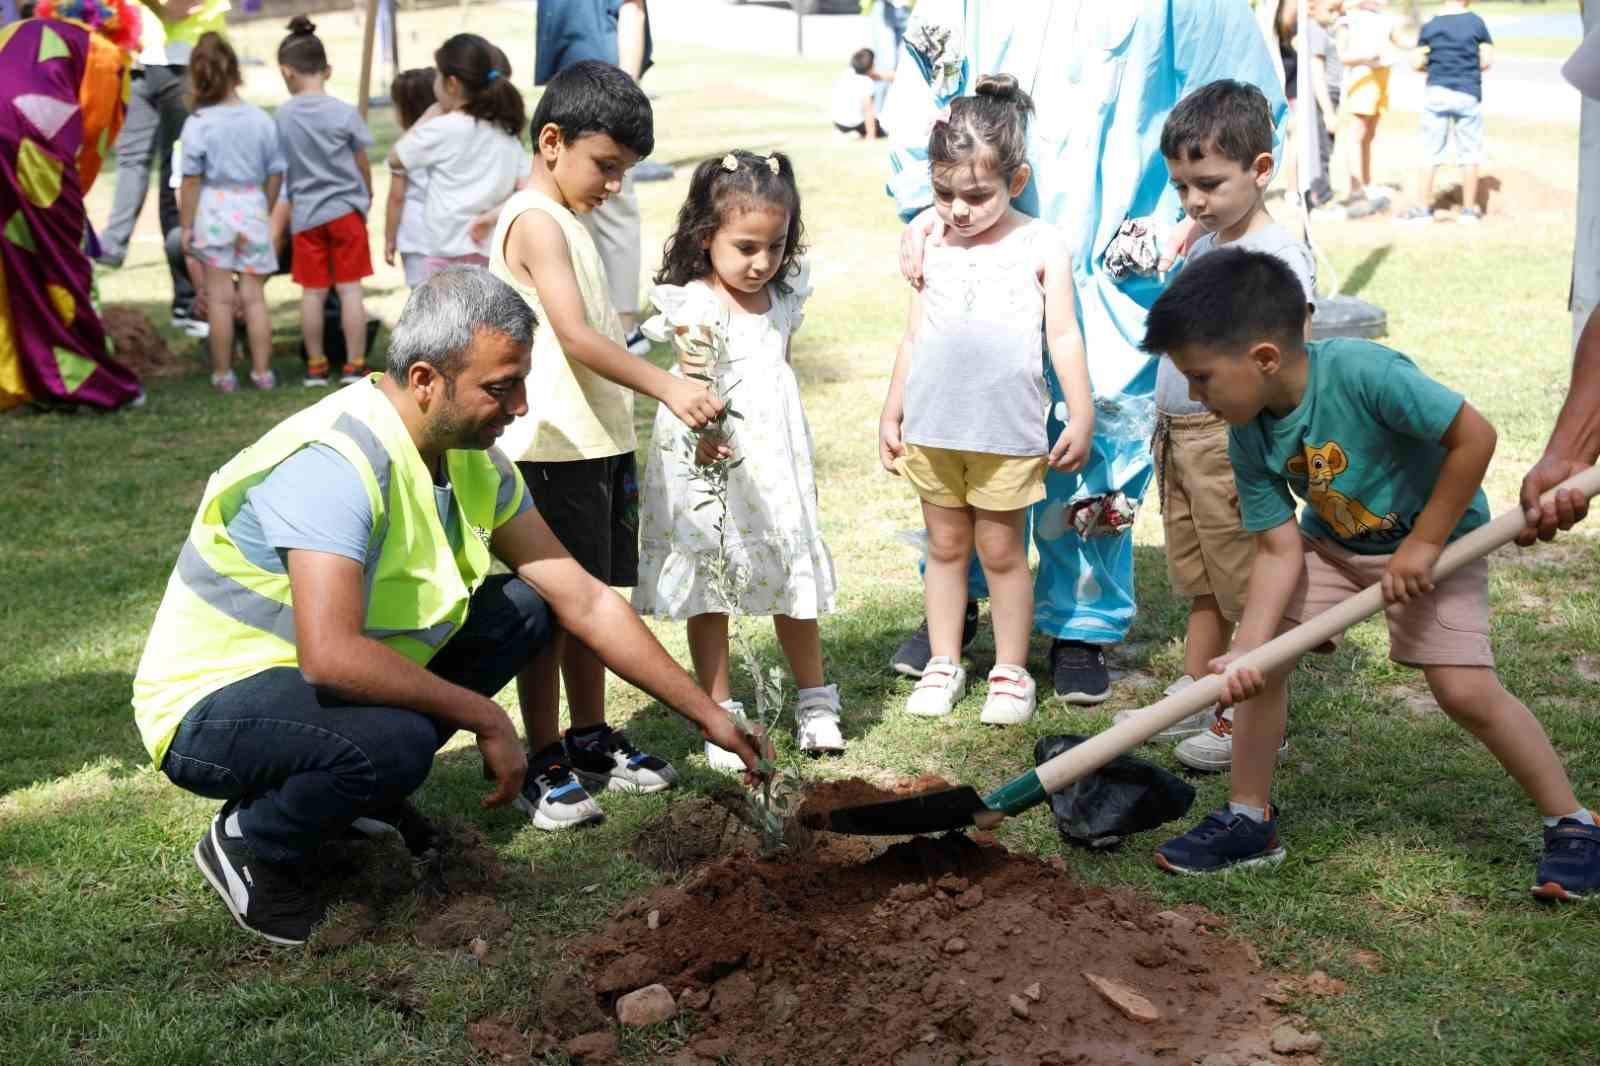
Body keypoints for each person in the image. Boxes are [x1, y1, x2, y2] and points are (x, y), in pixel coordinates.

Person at [130, 267, 766, 946]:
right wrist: (484, 716)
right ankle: (252, 839)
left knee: (529, 605)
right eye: (501, 387)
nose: (521, 406)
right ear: (426, 380)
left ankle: (348, 792)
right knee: (397, 746)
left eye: (521, 381)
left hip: (312, 690)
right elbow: (331, 657)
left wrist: (709, 716)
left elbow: (580, 596)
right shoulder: (335, 463)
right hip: (211, 708)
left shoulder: (472, 459)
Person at [1142, 249, 1598, 901]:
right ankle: (1249, 818)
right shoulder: (1247, 431)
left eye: (1202, 378)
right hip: (1332, 548)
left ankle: (1574, 825)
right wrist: (1249, 647)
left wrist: (1426, 543)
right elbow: (1277, 550)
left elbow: (1476, 438)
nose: (1195, 395)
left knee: (1464, 693)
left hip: (1443, 546)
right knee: (1261, 667)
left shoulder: (1365, 373)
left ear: (1264, 358)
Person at [882, 1, 1287, 704]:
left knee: (1099, 434)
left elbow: (1235, 95)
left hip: (1118, 251)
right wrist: (928, 199)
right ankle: (957, 602)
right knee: (965, 420)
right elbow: (927, 71)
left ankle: (1081, 621)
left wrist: (1177, 223)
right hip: (978, 231)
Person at [489, 60, 724, 830]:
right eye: (606, 166)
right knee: (552, 614)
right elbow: (576, 336)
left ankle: (588, 737)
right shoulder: (533, 218)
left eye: (624, 170)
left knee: (595, 603)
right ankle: (543, 754)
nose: (614, 184)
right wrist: (667, 387)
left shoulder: (568, 218)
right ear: (551, 140)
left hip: (593, 443)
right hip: (546, 450)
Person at [880, 77, 1094, 726]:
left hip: (1007, 434)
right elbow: (914, 334)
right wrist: (892, 410)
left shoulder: (1039, 244)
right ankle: (945, 660)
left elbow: (1063, 333)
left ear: (1018, 179)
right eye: (943, 194)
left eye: (976, 195)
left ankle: (1010, 670)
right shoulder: (930, 242)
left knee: (1002, 555)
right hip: (935, 431)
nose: (959, 210)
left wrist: (1080, 411)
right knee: (944, 549)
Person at [1122, 80, 1316, 771]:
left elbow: (1291, 354)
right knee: (1201, 573)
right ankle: (1201, 686)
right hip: (1180, 435)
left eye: (1208, 183)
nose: (1194, 201)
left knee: (1243, 580)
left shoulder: (1276, 256)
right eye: (1181, 187)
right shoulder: (1209, 239)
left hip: (1230, 440)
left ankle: (1247, 712)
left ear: (1261, 170)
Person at [634, 150, 844, 765]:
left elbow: (782, 366)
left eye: (775, 246)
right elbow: (697, 383)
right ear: (707, 238)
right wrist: (705, 436)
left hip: (773, 458)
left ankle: (815, 699)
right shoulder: (694, 304)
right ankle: (719, 708)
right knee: (711, 583)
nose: (763, 262)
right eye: (747, 246)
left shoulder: (781, 296)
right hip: (712, 454)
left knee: (789, 575)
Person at [0, 0, 145, 413]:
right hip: (30, 141)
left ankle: (19, 375)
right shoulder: (102, 51)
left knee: (10, 260)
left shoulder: (22, 30)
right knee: (58, 263)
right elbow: (92, 131)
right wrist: (70, 213)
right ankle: (86, 382)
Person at [96, 0, 228, 337]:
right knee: (130, 160)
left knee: (179, 174)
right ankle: (107, 254)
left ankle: (187, 298)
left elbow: (175, 8)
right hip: (138, 62)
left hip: (185, 62)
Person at [534, 0, 659, 354]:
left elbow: (632, 11)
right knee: (574, 214)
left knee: (613, 208)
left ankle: (624, 325)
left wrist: (626, 90)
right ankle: (587, 312)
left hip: (606, 93)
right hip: (569, 84)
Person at [177, 32, 284, 393]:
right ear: (236, 72)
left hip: (214, 210)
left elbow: (190, 180)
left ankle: (223, 375)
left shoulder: (198, 124)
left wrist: (187, 225)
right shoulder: (261, 120)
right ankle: (263, 372)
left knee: (220, 299)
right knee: (254, 298)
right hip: (252, 205)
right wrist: (264, 209)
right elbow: (276, 171)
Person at [275, 15, 374, 387]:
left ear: (287, 72)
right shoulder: (344, 112)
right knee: (350, 290)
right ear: (327, 69)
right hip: (346, 212)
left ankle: (315, 365)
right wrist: (366, 194)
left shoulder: (282, 116)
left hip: (306, 216)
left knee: (312, 294)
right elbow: (361, 162)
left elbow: (279, 167)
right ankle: (355, 364)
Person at [391, 34, 528, 293]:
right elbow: (527, 188)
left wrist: (430, 114)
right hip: (491, 253)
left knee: (445, 328)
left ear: (451, 83)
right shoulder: (506, 132)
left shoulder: (443, 128)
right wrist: (490, 217)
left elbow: (396, 157)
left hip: (445, 255)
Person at [1394, 0, 1492, 226]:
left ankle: (1423, 209)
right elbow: (1486, 60)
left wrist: (1434, 66)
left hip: (1437, 91)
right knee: (1469, 153)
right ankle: (1468, 211)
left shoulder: (1432, 24)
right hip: (1468, 91)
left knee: (1430, 152)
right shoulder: (1476, 23)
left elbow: (1416, 61)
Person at [1333, 0, 1406, 219]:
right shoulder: (1349, 19)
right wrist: (1369, 59)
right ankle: (1356, 188)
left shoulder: (1384, 19)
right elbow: (1342, 56)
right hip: (1362, 80)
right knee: (1358, 133)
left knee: (1369, 134)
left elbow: (1402, 40)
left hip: (1382, 80)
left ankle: (1367, 182)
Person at [382, 68, 437, 290]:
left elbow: (397, 197)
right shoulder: (450, 138)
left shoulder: (404, 147)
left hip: (415, 235)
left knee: (422, 299)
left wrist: (389, 237)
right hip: (450, 234)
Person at [831, 48, 889, 139]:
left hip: (839, 124)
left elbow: (876, 76)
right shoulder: (866, 83)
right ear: (871, 66)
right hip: (856, 124)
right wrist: (871, 135)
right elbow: (868, 110)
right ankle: (856, 134)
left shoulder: (847, 74)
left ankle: (845, 133)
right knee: (884, 131)